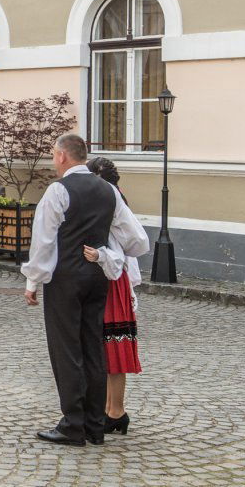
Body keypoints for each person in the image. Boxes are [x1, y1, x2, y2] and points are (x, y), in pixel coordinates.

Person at [21, 134, 150, 447]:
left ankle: (73, 424)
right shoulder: (108, 190)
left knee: (66, 349)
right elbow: (137, 241)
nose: (54, 161)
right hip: (98, 277)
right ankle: (95, 424)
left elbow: (44, 241)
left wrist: (33, 280)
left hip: (65, 277)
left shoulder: (58, 191)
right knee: (93, 346)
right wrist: (108, 256)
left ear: (63, 156)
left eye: (54, 155)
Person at [84, 156, 143, 436]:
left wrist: (107, 254)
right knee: (102, 346)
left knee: (113, 344)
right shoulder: (103, 199)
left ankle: (116, 411)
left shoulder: (113, 200)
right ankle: (109, 408)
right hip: (102, 276)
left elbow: (135, 242)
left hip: (114, 279)